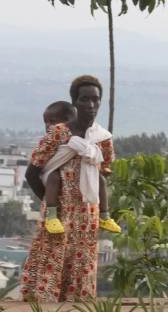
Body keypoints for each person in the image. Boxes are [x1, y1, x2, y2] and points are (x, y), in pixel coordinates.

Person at [20, 75, 115, 301]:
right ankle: (41, 309)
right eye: (84, 99)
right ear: (75, 102)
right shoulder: (58, 134)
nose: (91, 105)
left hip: (87, 216)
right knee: (51, 258)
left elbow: (103, 172)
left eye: (95, 99)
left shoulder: (102, 138)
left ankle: (76, 309)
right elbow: (32, 173)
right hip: (58, 215)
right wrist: (50, 202)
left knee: (81, 262)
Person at [38, 101, 121, 236]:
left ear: (69, 121)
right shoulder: (52, 139)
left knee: (100, 180)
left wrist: (101, 166)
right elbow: (41, 164)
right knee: (54, 177)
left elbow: (95, 156)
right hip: (54, 176)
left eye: (52, 122)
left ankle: (104, 215)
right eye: (45, 122)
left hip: (81, 183)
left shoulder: (90, 137)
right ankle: (51, 216)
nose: (48, 126)